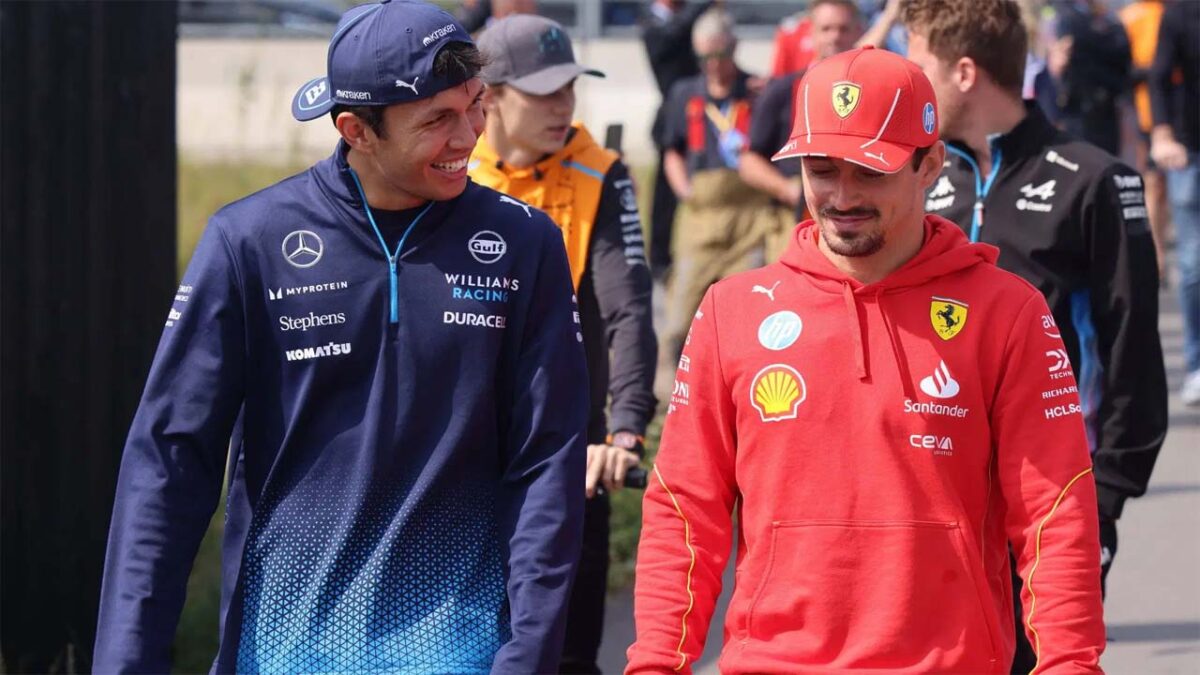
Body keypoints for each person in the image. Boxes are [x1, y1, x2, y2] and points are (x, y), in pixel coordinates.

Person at [93, 2, 588, 671]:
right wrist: (126, 660)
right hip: (281, 652)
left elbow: (546, 464)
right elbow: (169, 462)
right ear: (357, 129)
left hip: (460, 653)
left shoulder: (524, 245)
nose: (470, 134)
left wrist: (527, 655)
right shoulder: (249, 242)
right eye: (437, 119)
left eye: (474, 105)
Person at [626, 46, 1106, 672]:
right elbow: (685, 508)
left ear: (929, 164)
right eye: (820, 170)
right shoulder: (731, 310)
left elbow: (1056, 511)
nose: (841, 196)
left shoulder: (1007, 311)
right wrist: (657, 662)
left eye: (869, 171)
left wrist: (1071, 663)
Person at [903, 0, 1168, 670]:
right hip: (933, 506)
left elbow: (1133, 354)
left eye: (917, 65)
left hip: (1052, 504)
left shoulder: (1096, 181)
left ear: (964, 72)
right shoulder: (917, 181)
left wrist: (1103, 496)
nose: (908, 82)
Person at [468, 14, 658, 673]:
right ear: (487, 97)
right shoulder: (448, 170)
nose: (563, 105)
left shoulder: (601, 172)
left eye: (569, 88)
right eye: (542, 91)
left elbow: (627, 311)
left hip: (573, 452)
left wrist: (625, 431)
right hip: (465, 454)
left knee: (569, 655)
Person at [656, 8, 772, 397]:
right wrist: (683, 188)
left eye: (720, 55)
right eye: (705, 57)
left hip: (750, 216)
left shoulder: (756, 90)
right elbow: (671, 149)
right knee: (678, 319)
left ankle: (737, 388)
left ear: (734, 48)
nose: (714, 65)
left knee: (746, 311)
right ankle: (672, 391)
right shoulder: (684, 92)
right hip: (701, 216)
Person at [740, 0, 864, 261]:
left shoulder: (873, 91)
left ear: (858, 31)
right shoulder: (782, 91)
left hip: (859, 216)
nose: (835, 37)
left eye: (843, 29)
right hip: (794, 221)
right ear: (811, 32)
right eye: (827, 28)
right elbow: (749, 161)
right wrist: (789, 189)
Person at [642, 0, 718, 278]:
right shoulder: (652, 22)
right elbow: (672, 35)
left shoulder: (686, 18)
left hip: (700, 110)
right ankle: (660, 259)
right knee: (664, 195)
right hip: (672, 115)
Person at [1149, 0, 1200, 405]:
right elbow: (1160, 78)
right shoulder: (1182, 12)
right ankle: (1197, 366)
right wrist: (1162, 134)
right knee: (1193, 264)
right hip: (1191, 151)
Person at [1119, 0, 1172, 283]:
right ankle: (1158, 254)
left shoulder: (1177, 12)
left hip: (1181, 116)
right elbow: (1123, 67)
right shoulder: (1132, 17)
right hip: (1147, 114)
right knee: (1154, 184)